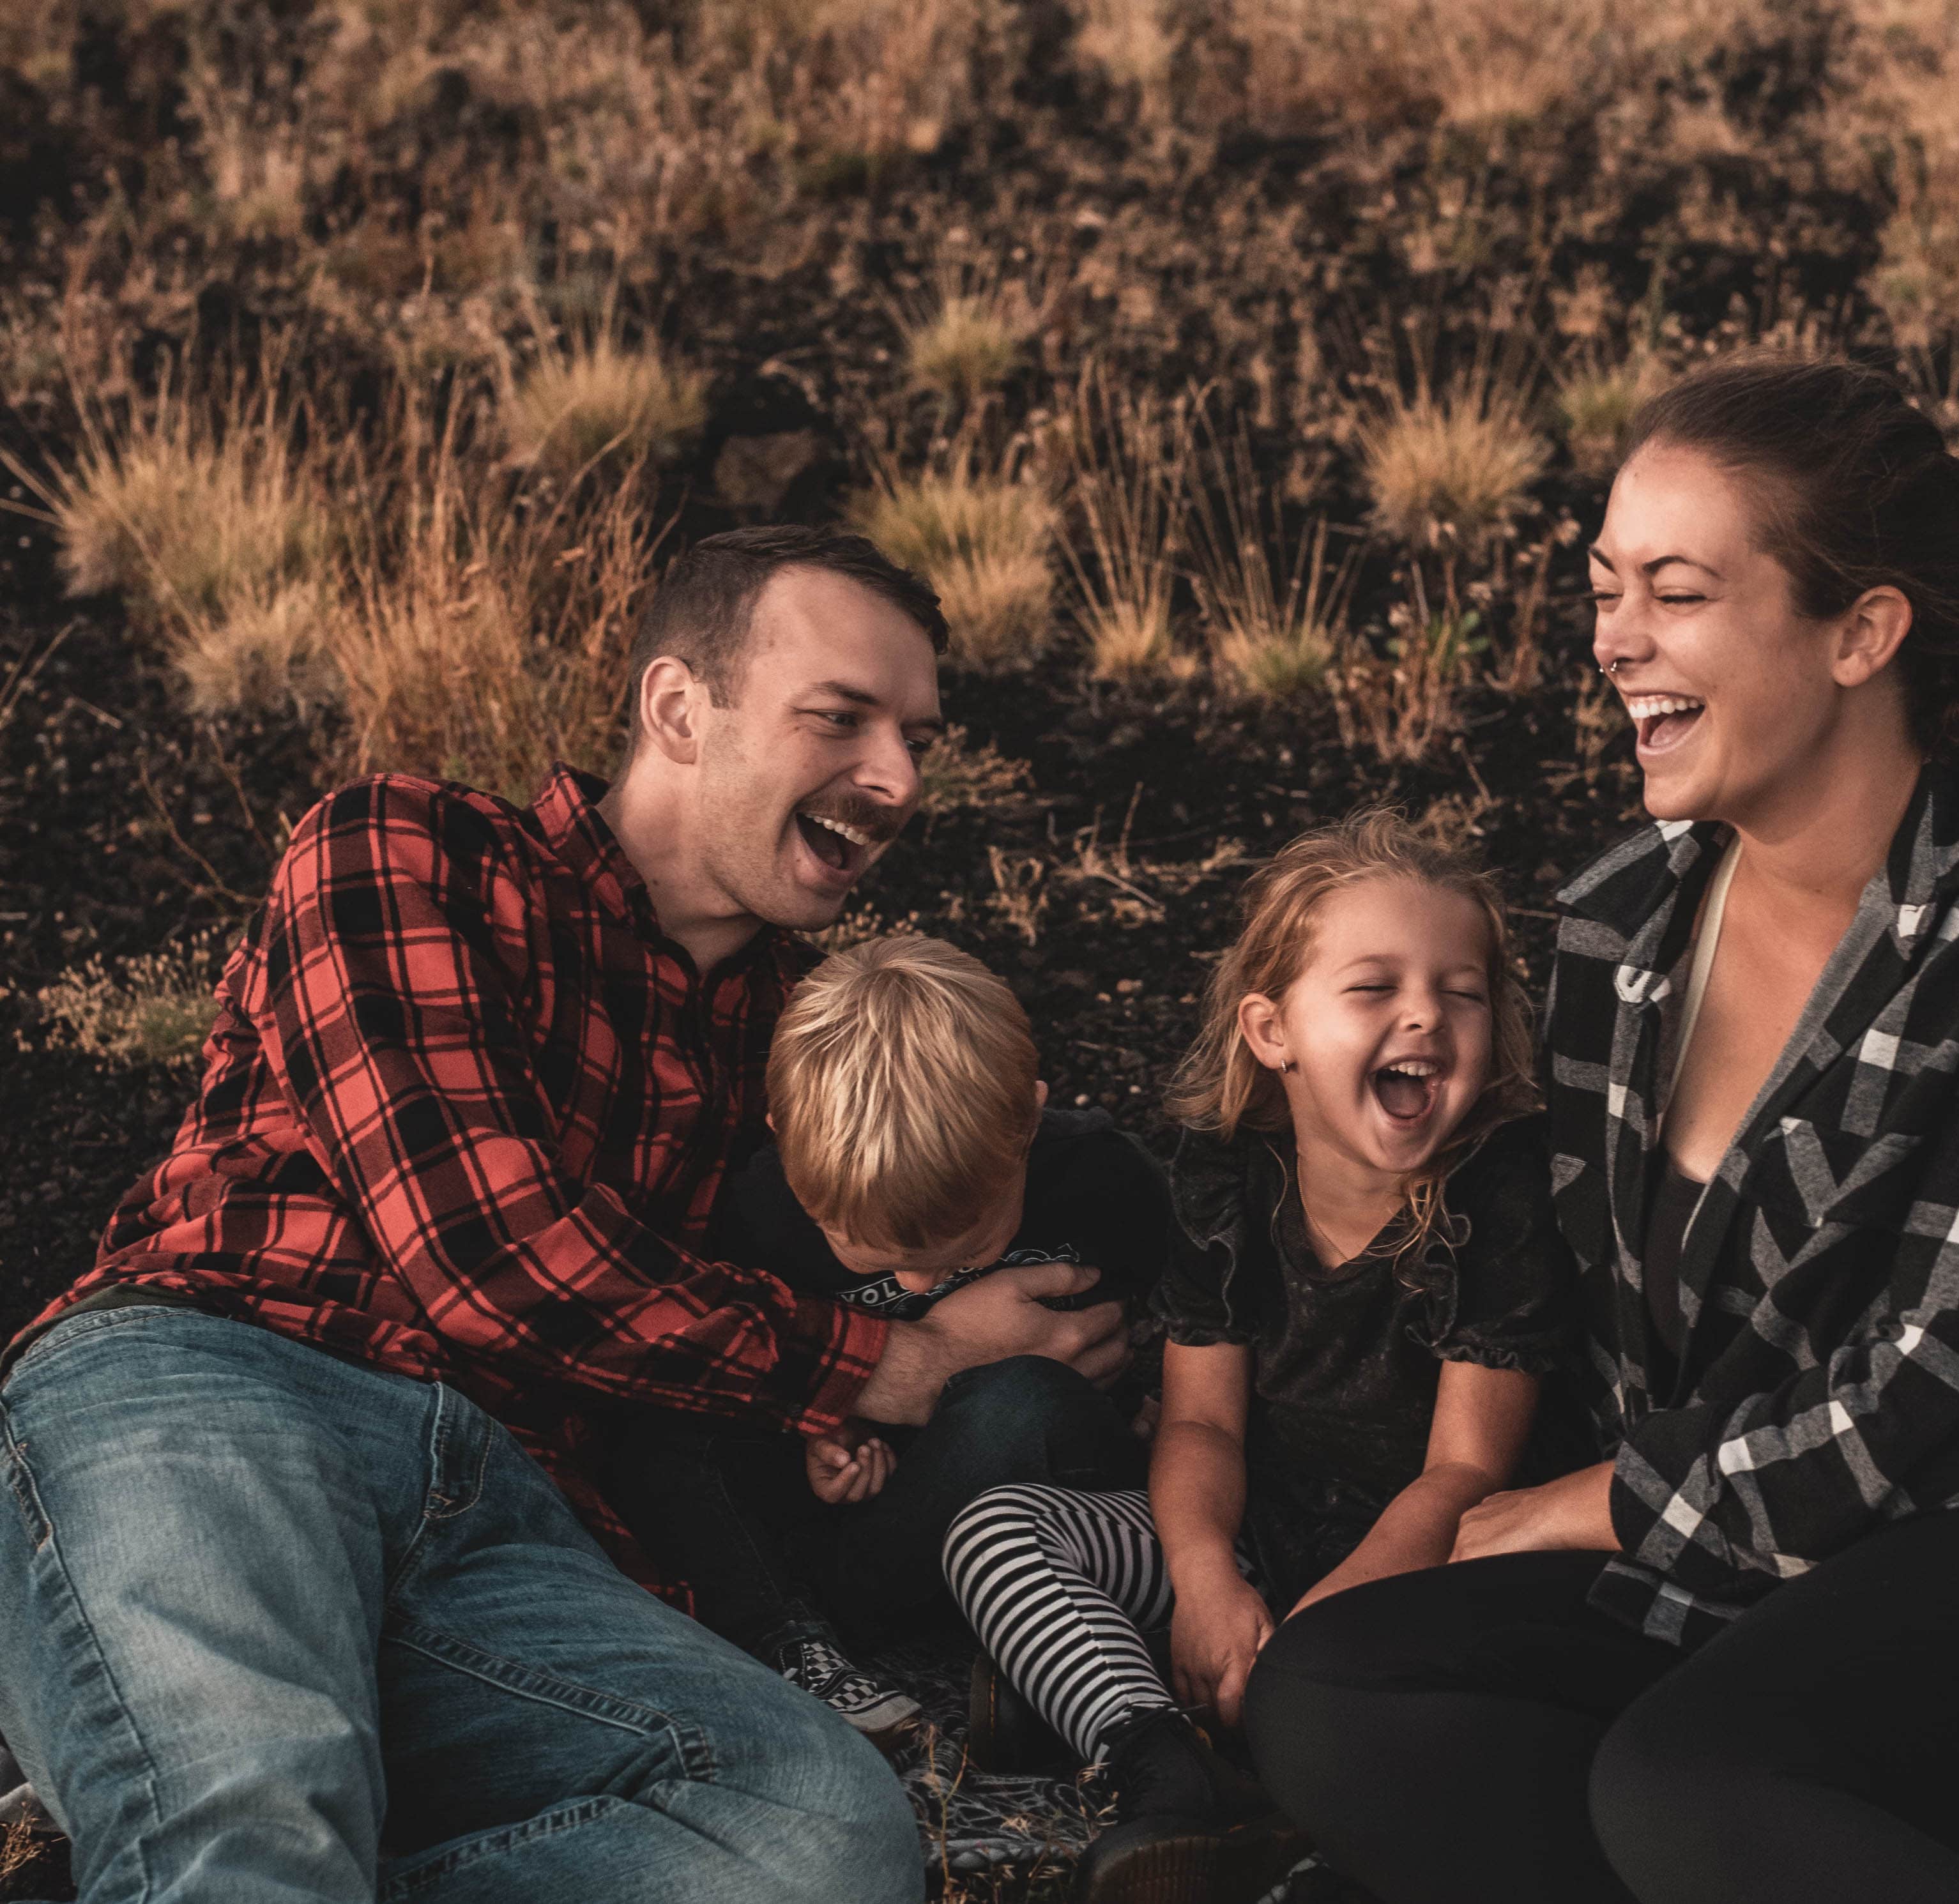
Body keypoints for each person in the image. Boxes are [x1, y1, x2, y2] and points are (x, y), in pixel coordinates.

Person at [1244, 356, 1959, 1904]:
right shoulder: (1620, 920)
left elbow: (1954, 1399)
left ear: (1859, 630)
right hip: (1777, 1575)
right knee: (1339, 1693)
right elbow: (1620, 1345)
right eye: (1602, 585)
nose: (1612, 638)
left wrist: (1603, 1501)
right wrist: (1433, 1505)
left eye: (1675, 589)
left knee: (1694, 1776)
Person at [0, 526, 1127, 1902]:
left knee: (816, 1834)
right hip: (224, 1384)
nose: (895, 778)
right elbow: (488, 1254)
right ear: (676, 709)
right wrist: (902, 1358)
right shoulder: (409, 850)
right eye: (841, 718)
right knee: (251, 1828)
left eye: (917, 736)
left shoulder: (810, 1036)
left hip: (514, 1522)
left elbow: (988, 1157)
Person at [941, 811, 1577, 1904]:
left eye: (1462, 989)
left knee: (1422, 1692)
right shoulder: (1226, 1176)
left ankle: (1287, 1805)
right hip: (1260, 1530)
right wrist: (1199, 1581)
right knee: (998, 1532)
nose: (1426, 1010)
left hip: (1423, 1557)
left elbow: (1463, 1473)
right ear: (1271, 1028)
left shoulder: (1500, 1197)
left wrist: (1312, 1641)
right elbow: (1200, 1423)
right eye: (1373, 986)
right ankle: (1159, 1757)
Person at [605, 935, 1165, 1741]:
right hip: (856, 1520)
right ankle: (791, 1643)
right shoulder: (765, 1208)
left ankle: (949, 1630)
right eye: (870, 1257)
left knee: (1021, 1398)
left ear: (1025, 1126)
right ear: (784, 1142)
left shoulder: (1102, 1179)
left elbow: (1201, 1313)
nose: (913, 1290)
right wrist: (820, 1418)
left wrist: (1164, 1400)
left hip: (1022, 1498)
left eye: (959, 1253)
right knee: (669, 1416)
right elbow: (757, 1348)